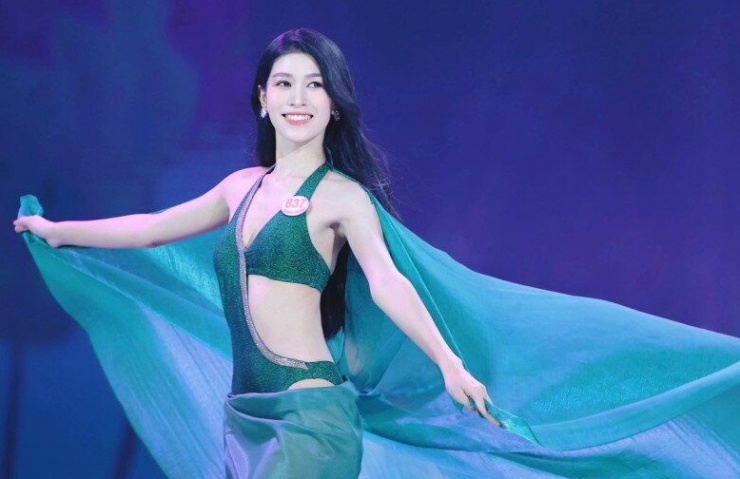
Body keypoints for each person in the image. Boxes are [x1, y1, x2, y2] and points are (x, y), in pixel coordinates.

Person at [14, 28, 740, 479]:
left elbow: (388, 282)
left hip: (310, 417)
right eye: (284, 84)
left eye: (314, 85)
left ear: (333, 104)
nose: (299, 97)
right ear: (262, 99)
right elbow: (151, 228)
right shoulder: (238, 187)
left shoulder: (342, 199)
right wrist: (59, 231)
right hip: (246, 416)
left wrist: (449, 362)